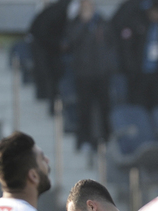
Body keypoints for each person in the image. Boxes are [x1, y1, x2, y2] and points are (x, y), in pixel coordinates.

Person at [64, 0, 114, 152]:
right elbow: (71, 41)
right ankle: (84, 140)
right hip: (83, 73)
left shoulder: (102, 21)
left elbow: (110, 40)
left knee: (104, 107)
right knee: (84, 108)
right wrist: (84, 23)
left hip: (102, 72)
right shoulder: (75, 23)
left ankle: (106, 139)